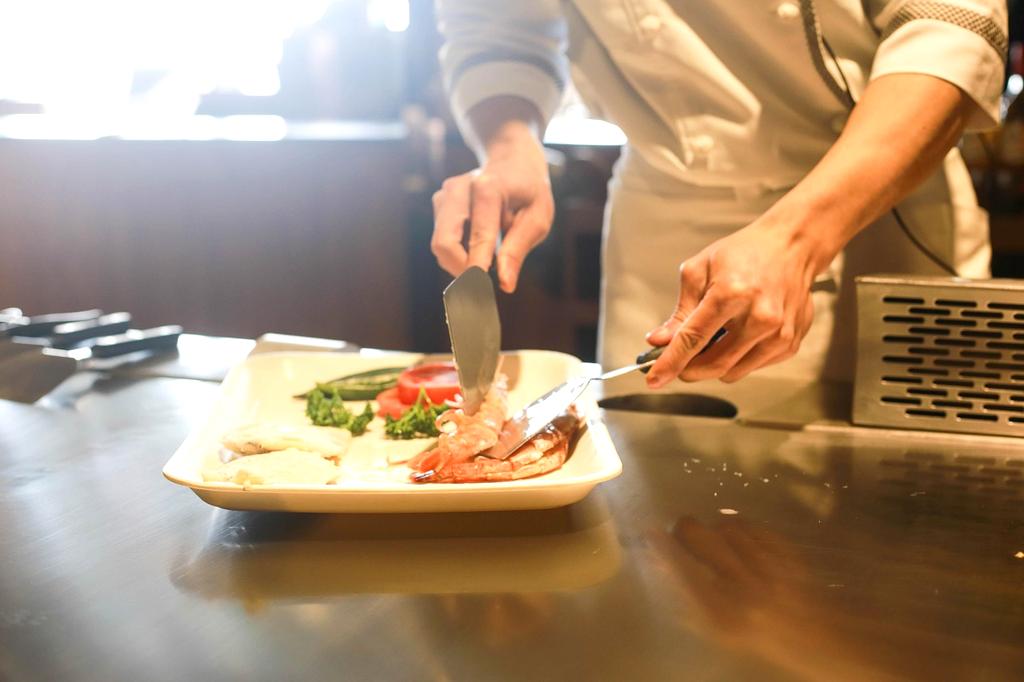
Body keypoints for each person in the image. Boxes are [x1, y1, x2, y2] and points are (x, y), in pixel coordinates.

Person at [429, 1, 1007, 387]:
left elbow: (949, 27)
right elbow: (497, 28)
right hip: (663, 224)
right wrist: (509, 146)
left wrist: (798, 239)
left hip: (873, 201)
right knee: (653, 527)